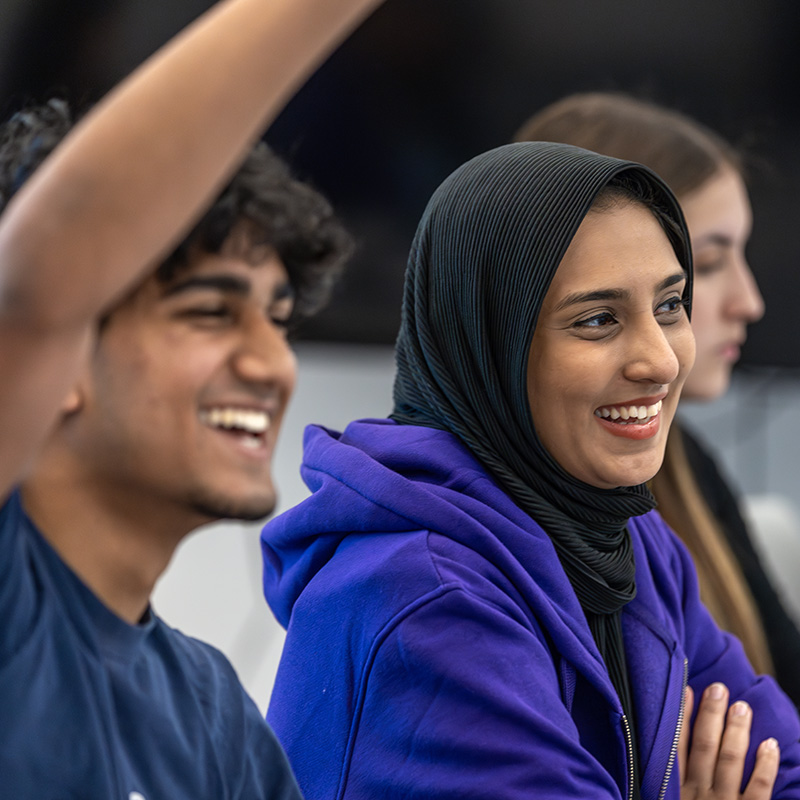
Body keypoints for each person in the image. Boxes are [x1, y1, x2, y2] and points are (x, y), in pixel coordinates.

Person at [261, 142, 800, 799]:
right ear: (491, 342)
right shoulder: (428, 601)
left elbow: (779, 760)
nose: (660, 360)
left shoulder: (629, 537)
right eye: (598, 320)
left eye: (670, 305)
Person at [0, 0, 382, 796]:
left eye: (279, 321)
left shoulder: (213, 716)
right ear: (63, 355)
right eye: (210, 312)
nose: (272, 363)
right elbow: (38, 282)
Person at [512, 92, 800, 704]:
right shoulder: (495, 548)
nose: (749, 302)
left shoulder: (684, 460)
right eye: (713, 261)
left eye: (672, 300)